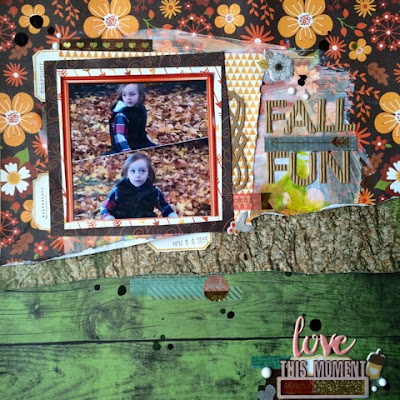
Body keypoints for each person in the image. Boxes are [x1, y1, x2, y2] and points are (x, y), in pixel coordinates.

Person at [100, 153, 178, 220]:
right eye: (133, 171)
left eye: (142, 171)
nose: (137, 175)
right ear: (127, 174)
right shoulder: (118, 190)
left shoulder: (153, 191)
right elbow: (105, 208)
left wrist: (171, 215)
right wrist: (107, 217)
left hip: (146, 226)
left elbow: (165, 207)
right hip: (121, 226)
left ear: (148, 173)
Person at [105, 83, 156, 154]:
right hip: (124, 147)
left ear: (140, 95)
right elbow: (119, 136)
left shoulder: (140, 110)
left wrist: (148, 141)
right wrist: (127, 150)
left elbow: (141, 130)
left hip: (140, 144)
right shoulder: (121, 114)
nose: (128, 98)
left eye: (132, 94)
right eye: (124, 95)